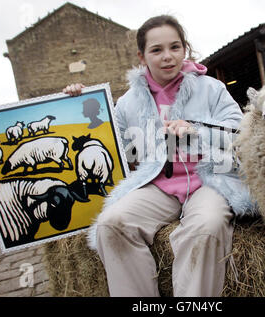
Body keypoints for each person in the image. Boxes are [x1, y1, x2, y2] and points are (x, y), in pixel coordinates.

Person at [63, 15, 253, 297]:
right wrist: (75, 104)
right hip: (158, 184)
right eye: (156, 50)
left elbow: (239, 134)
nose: (167, 57)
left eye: (175, 47)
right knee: (111, 224)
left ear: (184, 49)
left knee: (207, 226)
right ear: (142, 56)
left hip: (208, 181)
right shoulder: (127, 103)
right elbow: (112, 146)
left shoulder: (212, 89)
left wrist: (196, 131)